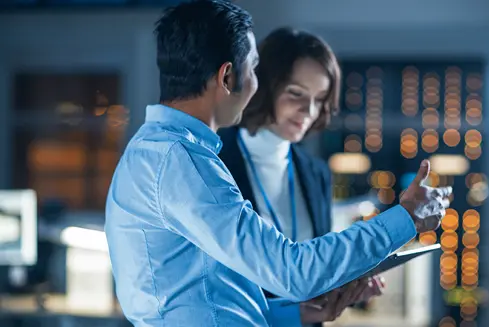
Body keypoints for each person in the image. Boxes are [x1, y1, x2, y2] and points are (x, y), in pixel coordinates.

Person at [104, 1, 451, 327]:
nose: (255, 84)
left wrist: (296, 314)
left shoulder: (163, 152)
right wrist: (406, 217)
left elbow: (208, 297)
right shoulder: (180, 161)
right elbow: (292, 272)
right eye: (253, 68)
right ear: (227, 78)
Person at [218, 27, 384, 326]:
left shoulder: (316, 173)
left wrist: (343, 286)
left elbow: (312, 273)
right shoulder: (215, 162)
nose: (309, 110)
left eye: (320, 98)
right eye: (295, 93)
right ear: (264, 86)